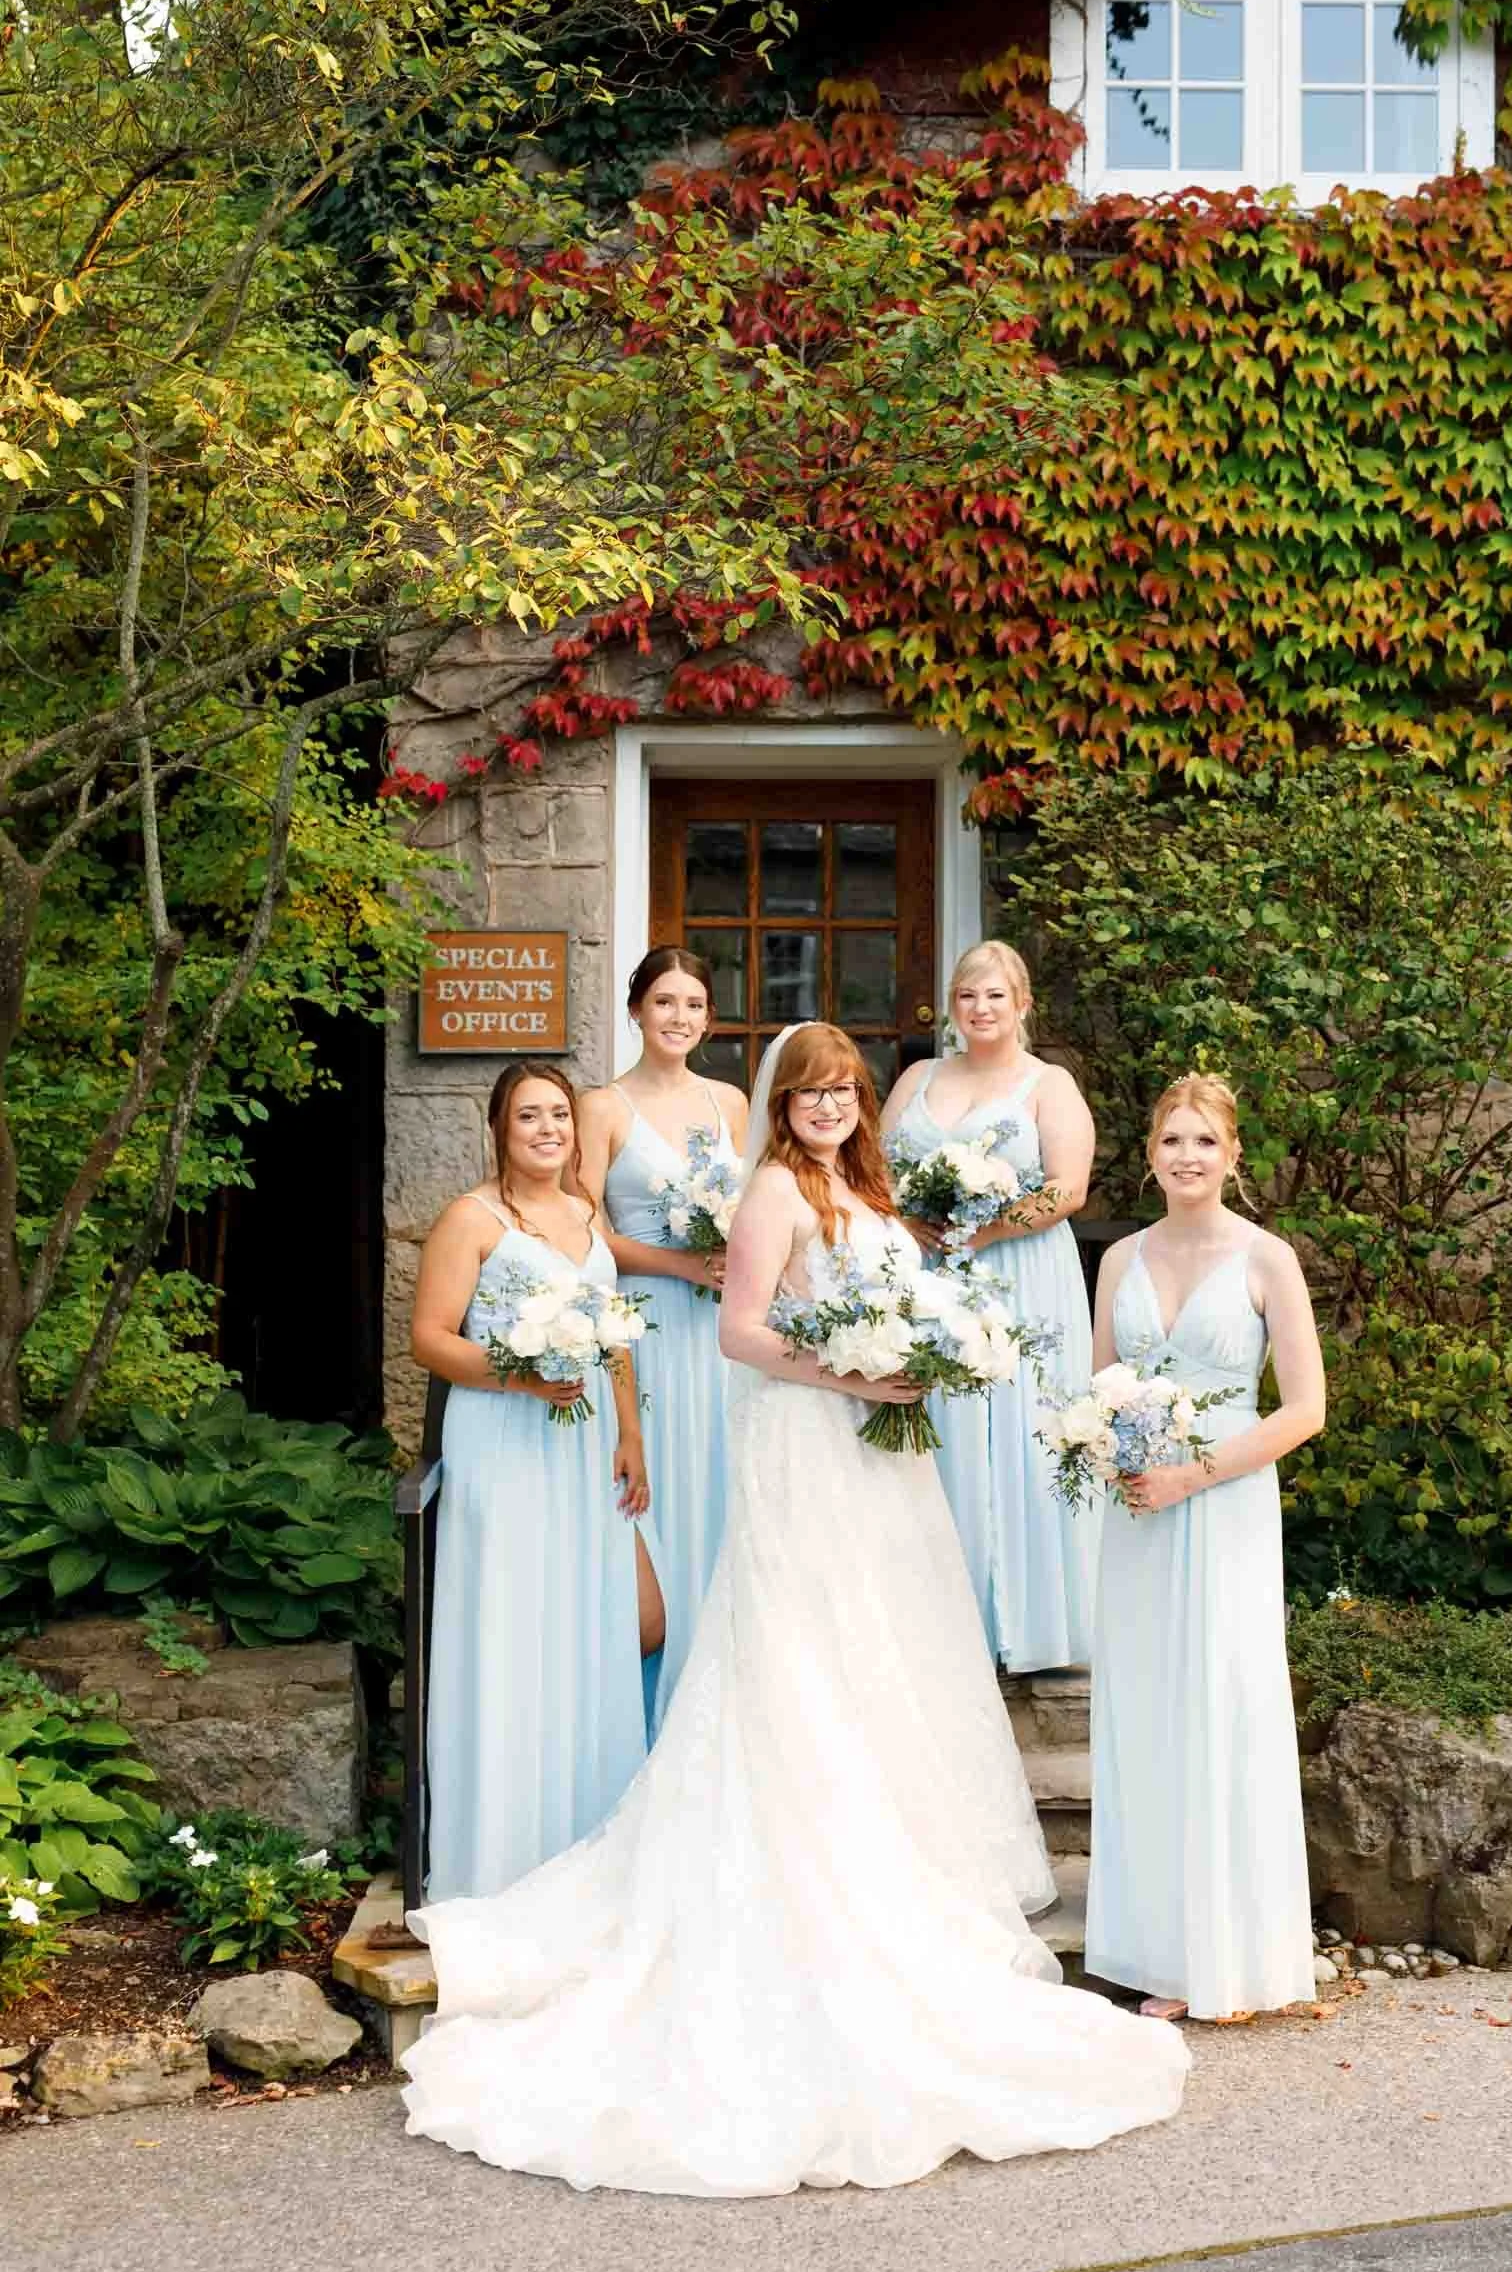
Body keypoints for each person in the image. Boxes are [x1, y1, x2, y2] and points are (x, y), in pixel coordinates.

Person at [401, 1024, 1188, 2196]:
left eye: (841, 1090)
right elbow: (739, 1329)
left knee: (891, 1653)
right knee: (802, 1654)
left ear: (861, 1103)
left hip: (882, 1460)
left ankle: (905, 1863)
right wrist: (856, 1372)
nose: (825, 1106)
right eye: (810, 1092)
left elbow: (900, 1299)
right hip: (806, 1447)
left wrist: (936, 1349)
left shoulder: (865, 1185)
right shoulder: (770, 1187)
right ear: (784, 1106)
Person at [1086, 1074, 1325, 2023]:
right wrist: (1106, 1454)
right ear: (1150, 1155)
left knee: (1220, 1701)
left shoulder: (1269, 1261)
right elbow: (1100, 1383)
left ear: (1233, 1155)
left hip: (1223, 1504)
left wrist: (1197, 1473)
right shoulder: (1120, 1261)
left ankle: (1227, 1955)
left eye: (1204, 1142)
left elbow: (1305, 1410)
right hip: (1138, 1511)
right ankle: (1154, 1949)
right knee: (1145, 1712)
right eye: (1171, 1141)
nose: (1187, 1157)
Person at [409, 1063, 667, 1903]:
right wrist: (517, 1377)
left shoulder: (587, 1215)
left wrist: (630, 1433)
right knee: (514, 1622)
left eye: (559, 1114)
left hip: (586, 1445)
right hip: (503, 1439)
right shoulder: (472, 1219)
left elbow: (614, 1334)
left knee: (610, 1619)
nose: (549, 1129)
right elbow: (430, 1340)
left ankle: (586, 1835)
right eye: (530, 1117)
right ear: (500, 1128)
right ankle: (505, 1849)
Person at [884, 941, 1101, 1671]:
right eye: (968, 996)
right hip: (930, 1276)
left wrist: (985, 1227)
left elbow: (1068, 1189)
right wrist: (911, 1226)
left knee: (1020, 1429)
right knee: (940, 1427)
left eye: (995, 996)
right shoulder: (918, 1077)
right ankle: (948, 1625)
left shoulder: (1049, 1084)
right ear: (953, 1005)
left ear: (1023, 1004)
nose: (980, 1009)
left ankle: (1034, 1624)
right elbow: (875, 1173)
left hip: (1021, 1274)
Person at [577, 948, 745, 1726]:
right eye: (665, 1002)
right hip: (642, 1325)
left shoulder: (730, 1103)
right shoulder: (603, 1107)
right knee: (655, 1500)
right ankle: (645, 1716)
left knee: (723, 1496)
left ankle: (720, 1715)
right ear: (637, 1009)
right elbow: (583, 1232)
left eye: (695, 1004)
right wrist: (679, 1262)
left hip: (720, 1335)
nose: (680, 1017)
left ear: (709, 1018)